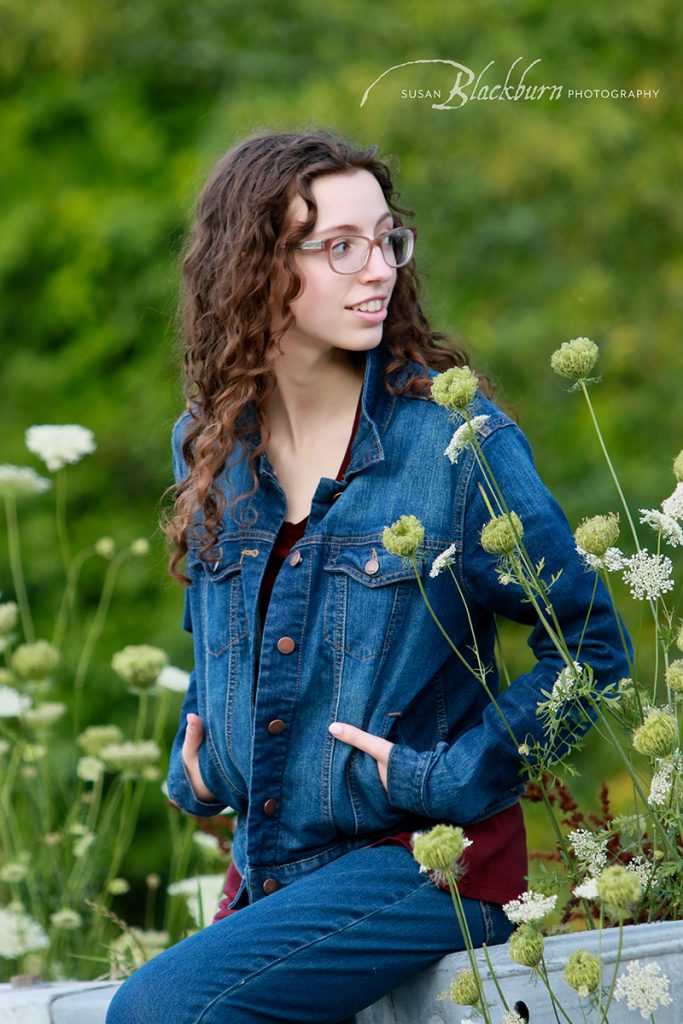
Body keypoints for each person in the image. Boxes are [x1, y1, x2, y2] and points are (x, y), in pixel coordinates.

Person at [106, 127, 629, 1024]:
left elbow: (591, 649)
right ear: (255, 267)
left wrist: (456, 775)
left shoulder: (455, 444)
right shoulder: (209, 442)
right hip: (275, 860)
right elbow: (226, 636)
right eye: (339, 247)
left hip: (424, 863)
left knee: (162, 1011)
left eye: (386, 238)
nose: (377, 267)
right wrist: (194, 769)